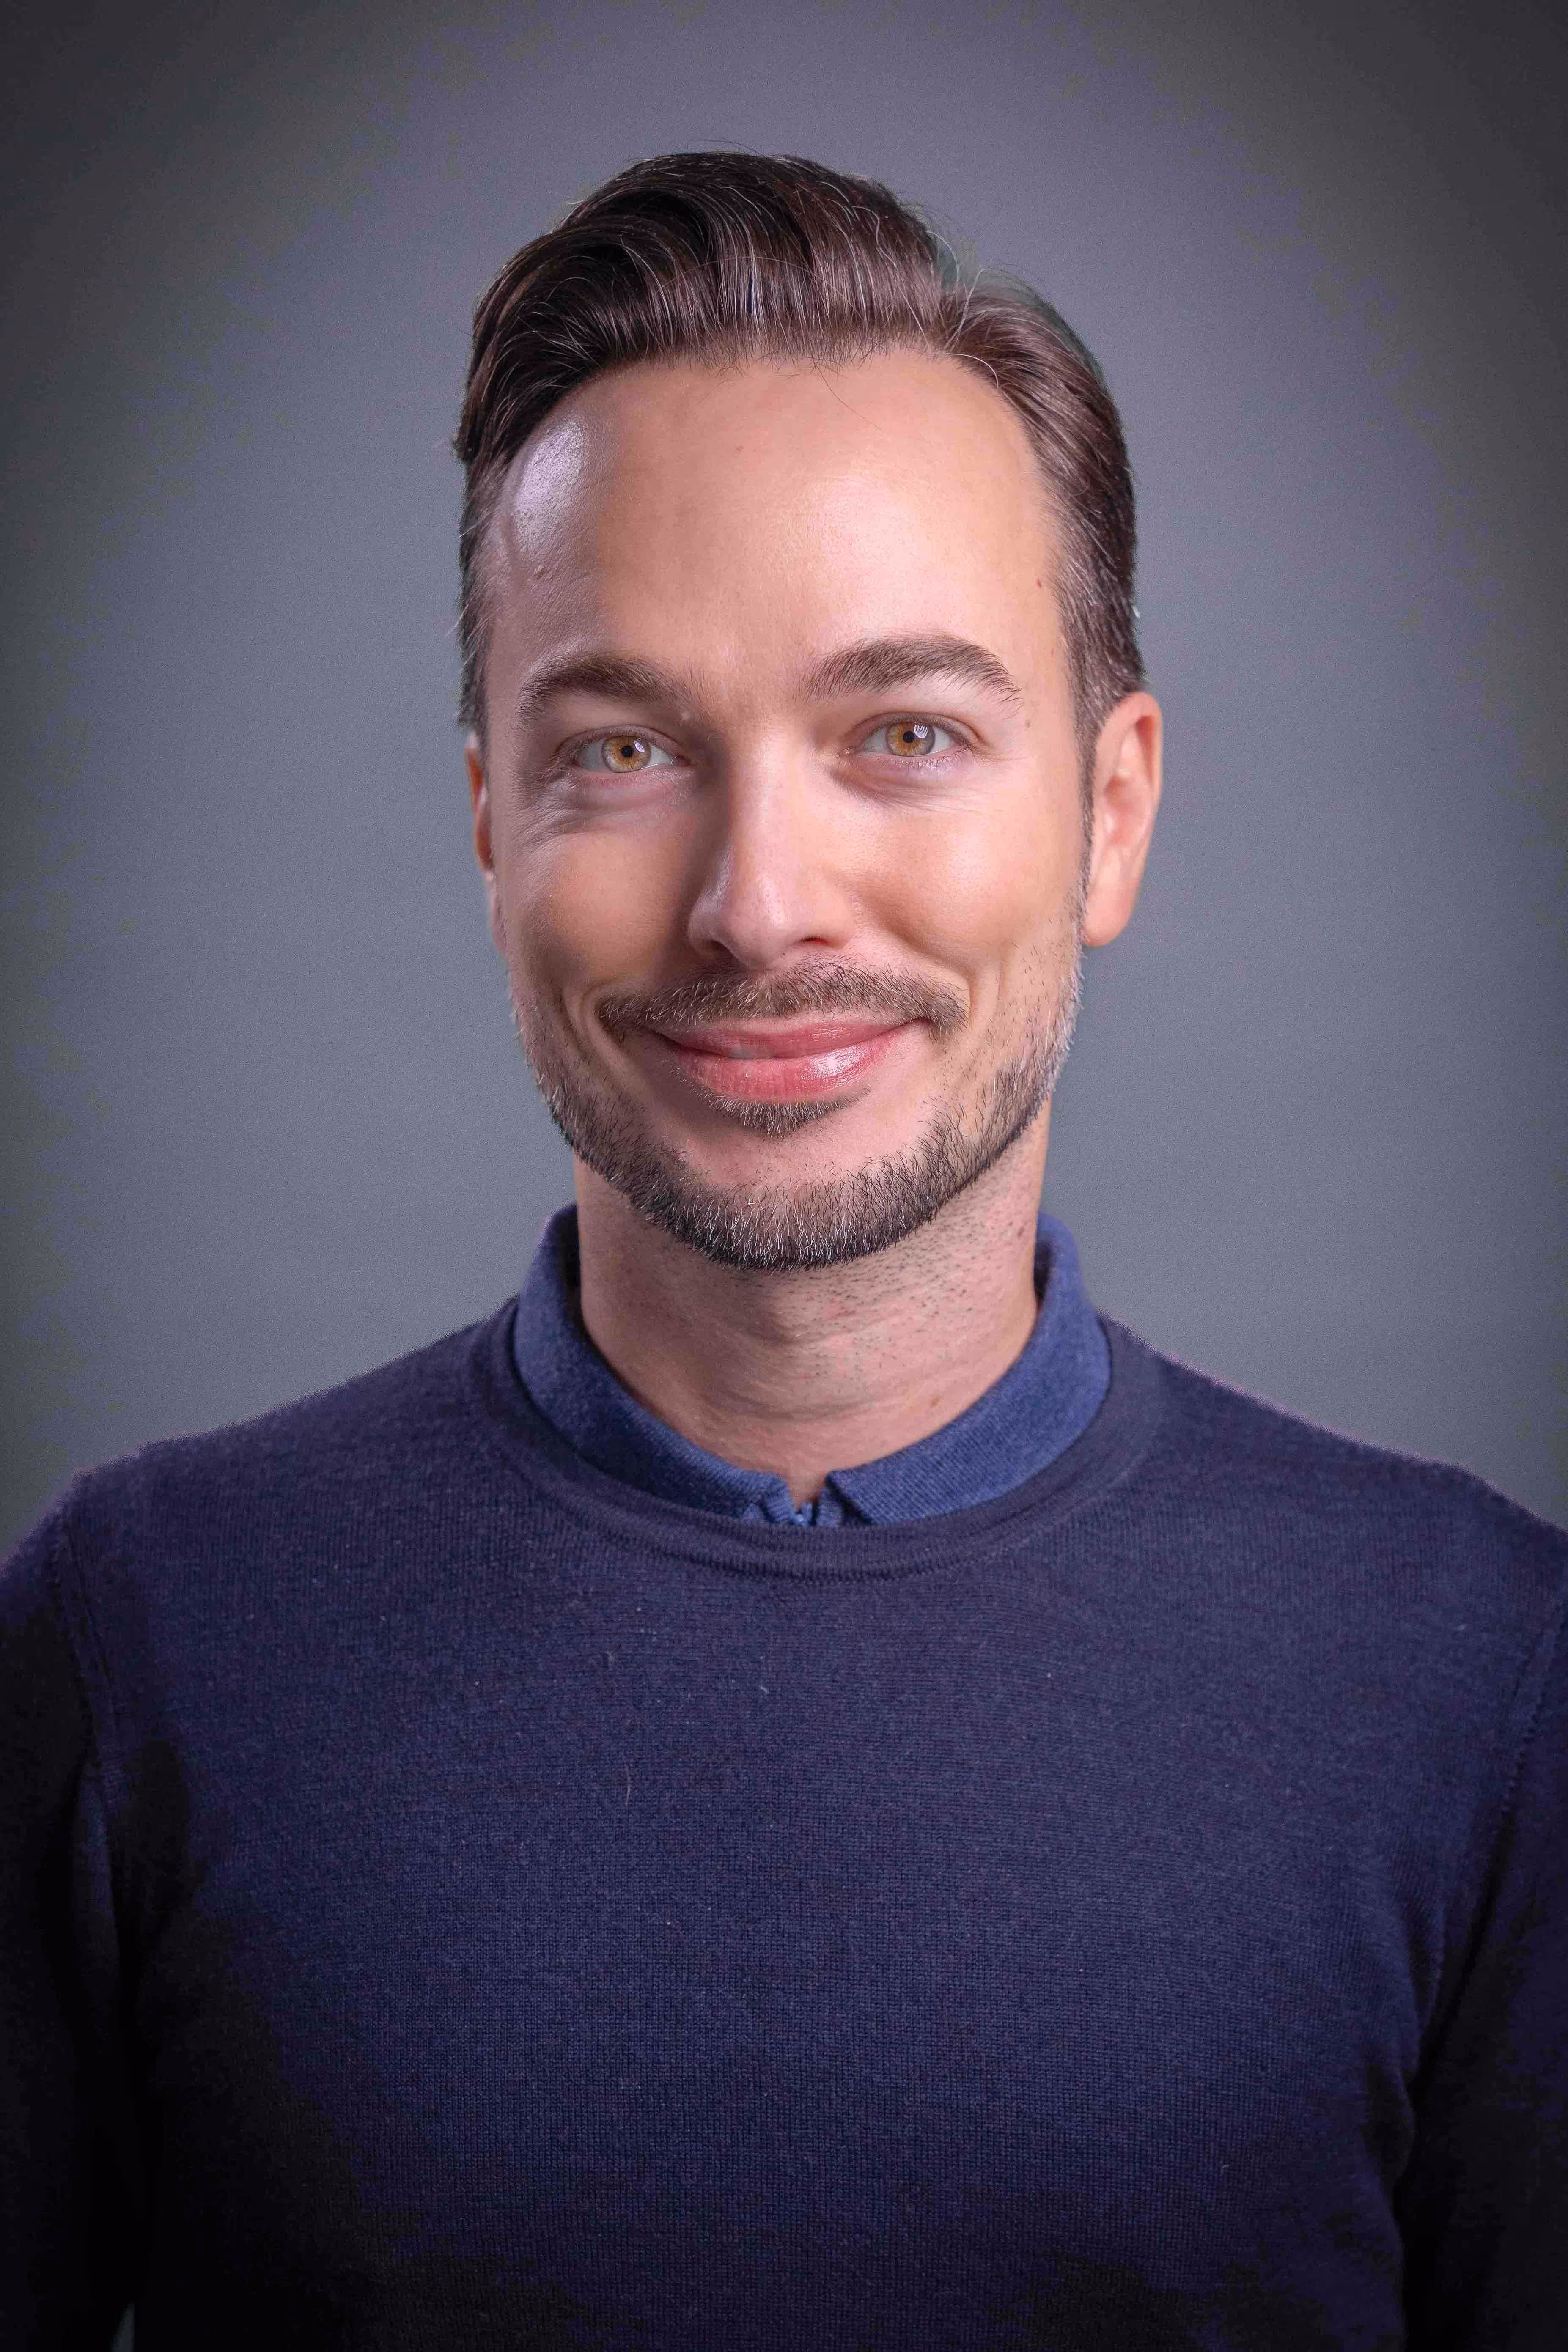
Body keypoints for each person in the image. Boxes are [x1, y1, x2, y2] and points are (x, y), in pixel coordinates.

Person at [2, 150, 1563, 2351]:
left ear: (1109, 810)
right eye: (624, 747)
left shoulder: (1488, 1683)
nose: (759, 901)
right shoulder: (125, 1641)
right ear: (487, 826)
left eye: (902, 735)